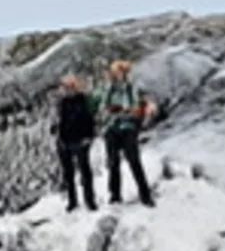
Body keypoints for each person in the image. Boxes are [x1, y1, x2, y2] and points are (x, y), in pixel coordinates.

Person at [96, 60, 156, 207]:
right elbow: (102, 109)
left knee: (134, 161)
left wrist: (126, 111)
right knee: (113, 163)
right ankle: (115, 196)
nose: (117, 75)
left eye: (120, 72)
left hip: (128, 127)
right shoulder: (108, 90)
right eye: (115, 72)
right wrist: (110, 112)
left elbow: (137, 108)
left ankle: (145, 194)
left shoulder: (132, 89)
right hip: (112, 128)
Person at [53, 75, 98, 212]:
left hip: (80, 140)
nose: (67, 90)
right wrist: (59, 137)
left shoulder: (83, 100)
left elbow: (90, 119)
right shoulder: (62, 103)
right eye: (65, 87)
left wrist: (89, 137)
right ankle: (73, 201)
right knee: (68, 174)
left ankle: (89, 200)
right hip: (65, 141)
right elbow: (60, 121)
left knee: (85, 171)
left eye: (69, 87)